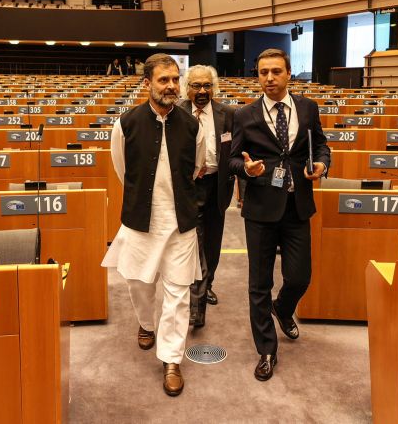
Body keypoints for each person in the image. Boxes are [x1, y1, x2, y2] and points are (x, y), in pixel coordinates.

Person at [102, 53, 205, 397]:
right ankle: (146, 323)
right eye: (164, 80)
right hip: (140, 220)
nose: (172, 86)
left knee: (177, 293)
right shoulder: (126, 123)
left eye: (176, 79)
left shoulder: (192, 125)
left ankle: (172, 358)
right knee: (138, 283)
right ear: (147, 84)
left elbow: (196, 168)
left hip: (181, 223)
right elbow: (121, 168)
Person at [228, 48, 331, 382]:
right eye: (262, 72)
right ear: (257, 76)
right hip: (260, 209)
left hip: (297, 205)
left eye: (275, 71)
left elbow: (321, 145)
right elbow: (232, 161)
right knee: (259, 283)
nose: (269, 78)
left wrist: (322, 164)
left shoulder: (307, 108)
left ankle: (283, 308)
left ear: (289, 73)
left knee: (300, 277)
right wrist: (246, 168)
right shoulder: (244, 115)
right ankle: (267, 350)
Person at [178, 65, 235, 328]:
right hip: (189, 188)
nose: (202, 91)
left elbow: (236, 154)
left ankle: (207, 283)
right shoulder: (176, 112)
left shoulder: (229, 115)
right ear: (186, 87)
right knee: (194, 244)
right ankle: (196, 303)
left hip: (217, 187)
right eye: (196, 86)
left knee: (212, 244)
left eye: (207, 86)